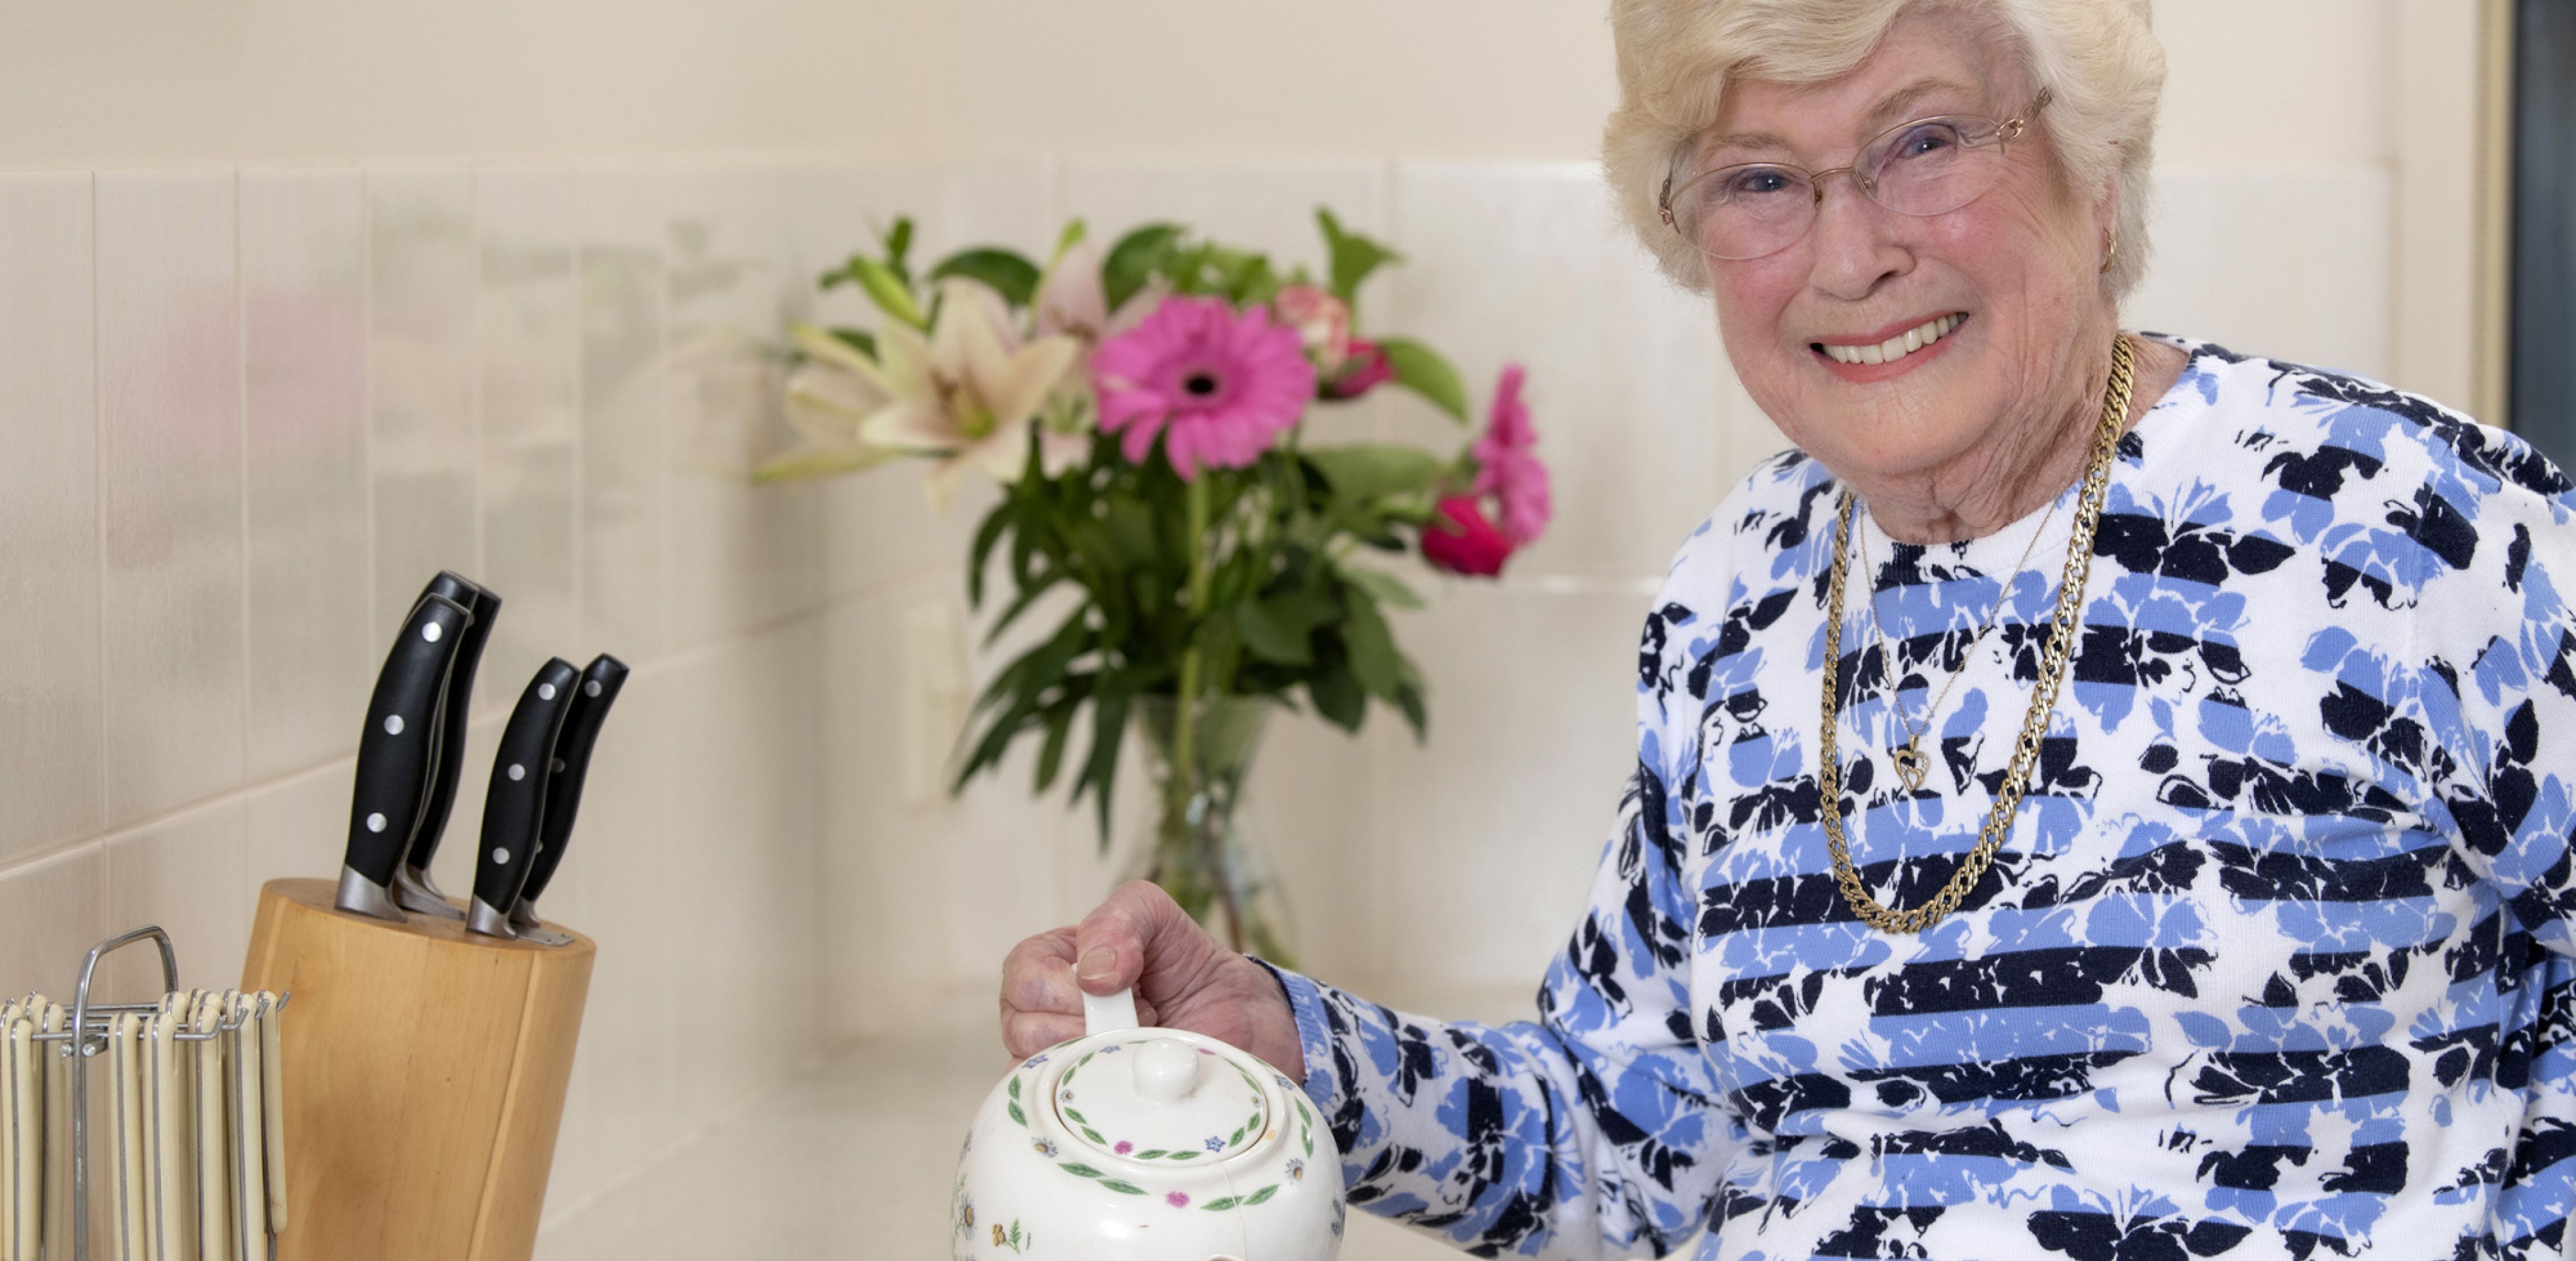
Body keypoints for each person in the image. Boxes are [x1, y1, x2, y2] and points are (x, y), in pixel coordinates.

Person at [1000, 0, 2576, 1256]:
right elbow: (1636, 1144)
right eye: (1763, 178)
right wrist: (1293, 1056)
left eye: (1926, 140)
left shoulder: (2405, 527)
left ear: (2096, 174)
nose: (1849, 252)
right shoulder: (1735, 592)